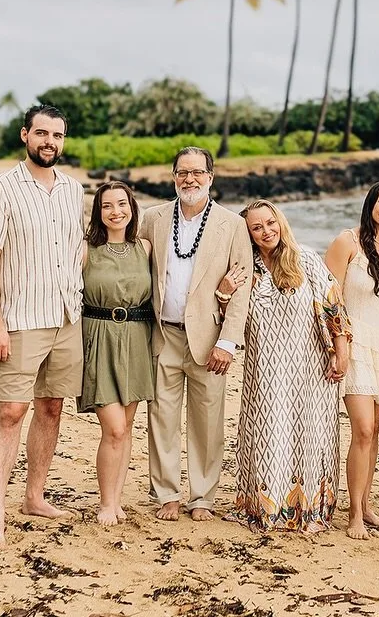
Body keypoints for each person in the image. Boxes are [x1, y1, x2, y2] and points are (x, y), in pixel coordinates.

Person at [0, 104, 86, 546]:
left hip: (66, 317)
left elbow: (77, 247)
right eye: (42, 133)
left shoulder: (73, 189)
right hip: (21, 319)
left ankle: (34, 496)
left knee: (51, 408)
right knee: (10, 411)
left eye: (57, 136)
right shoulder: (2, 188)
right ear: (25, 135)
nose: (49, 143)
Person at [142, 146, 252, 522]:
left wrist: (227, 341)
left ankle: (202, 496)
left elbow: (244, 286)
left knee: (208, 419)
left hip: (209, 340)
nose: (190, 179)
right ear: (173, 176)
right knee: (162, 418)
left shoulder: (232, 225)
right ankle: (167, 494)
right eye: (182, 172)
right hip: (163, 334)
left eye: (197, 173)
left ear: (211, 177)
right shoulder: (153, 219)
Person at [232, 200, 352, 533]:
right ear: (249, 234)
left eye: (270, 223)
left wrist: (340, 350)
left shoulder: (306, 259)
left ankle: (311, 509)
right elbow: (227, 313)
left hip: (310, 367)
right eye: (257, 227)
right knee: (269, 434)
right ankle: (268, 509)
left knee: (311, 434)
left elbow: (333, 306)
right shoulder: (246, 268)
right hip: (265, 369)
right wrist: (225, 291)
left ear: (280, 223)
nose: (266, 231)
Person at [323, 180, 379, 540]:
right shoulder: (348, 241)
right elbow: (326, 297)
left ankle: (367, 505)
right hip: (353, 345)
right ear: (371, 202)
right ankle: (354, 514)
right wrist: (336, 345)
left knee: (373, 437)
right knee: (363, 430)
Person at [78, 180, 154, 526]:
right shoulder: (85, 251)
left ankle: (117, 499)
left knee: (127, 427)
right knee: (114, 428)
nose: (115, 212)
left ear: (132, 207)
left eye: (121, 204)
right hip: (99, 337)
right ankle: (106, 503)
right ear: (98, 211)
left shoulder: (146, 248)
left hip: (137, 338)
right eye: (107, 206)